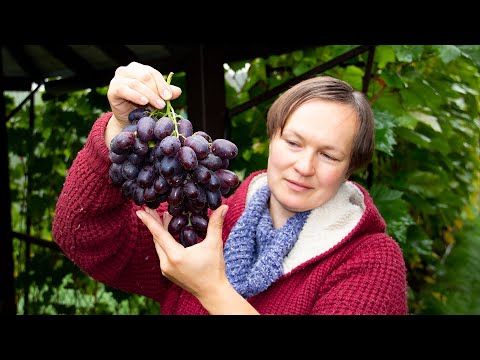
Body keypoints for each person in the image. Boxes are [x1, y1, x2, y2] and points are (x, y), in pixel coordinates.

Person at [52, 61, 408, 315]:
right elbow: (81, 235)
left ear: (351, 168)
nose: (304, 166)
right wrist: (119, 128)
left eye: (329, 155)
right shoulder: (208, 216)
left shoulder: (371, 263)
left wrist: (211, 290)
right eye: (294, 143)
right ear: (272, 137)